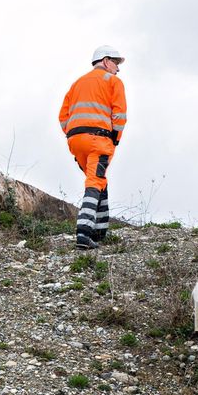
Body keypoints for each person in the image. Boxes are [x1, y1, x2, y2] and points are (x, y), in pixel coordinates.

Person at [59, 45, 127, 249]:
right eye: (116, 63)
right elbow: (120, 116)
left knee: (98, 181)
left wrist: (72, 134)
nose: (118, 69)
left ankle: (100, 231)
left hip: (75, 141)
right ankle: (84, 233)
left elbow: (63, 117)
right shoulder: (113, 81)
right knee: (94, 182)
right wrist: (114, 140)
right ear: (106, 61)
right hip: (99, 140)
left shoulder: (77, 83)